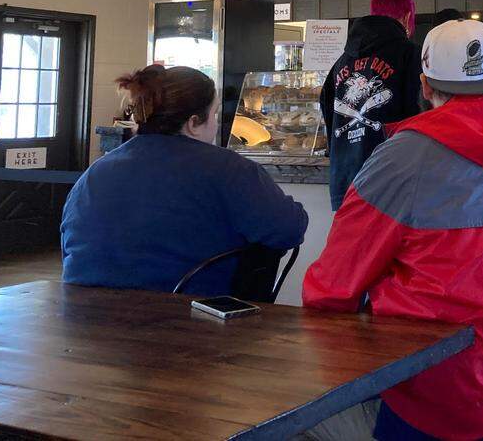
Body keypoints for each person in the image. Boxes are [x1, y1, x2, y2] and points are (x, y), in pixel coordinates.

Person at [302, 19, 483, 441]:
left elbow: (331, 290)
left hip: (444, 402)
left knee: (282, 417)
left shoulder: (402, 158)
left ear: (424, 85)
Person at [61, 65, 307, 296]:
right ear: (193, 123)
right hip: (186, 316)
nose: (216, 123)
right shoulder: (229, 169)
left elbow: (71, 244)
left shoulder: (95, 172)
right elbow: (288, 230)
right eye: (214, 114)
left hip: (82, 313)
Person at [321, 0, 422, 209]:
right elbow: (419, 115)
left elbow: (329, 118)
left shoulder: (340, 63)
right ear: (407, 18)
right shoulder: (410, 54)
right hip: (393, 181)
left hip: (346, 183)